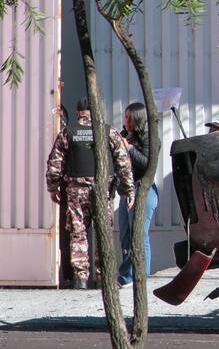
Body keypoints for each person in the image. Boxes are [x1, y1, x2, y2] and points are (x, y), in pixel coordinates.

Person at [45, 99, 134, 289]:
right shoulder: (108, 131)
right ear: (94, 112)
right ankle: (104, 278)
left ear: (78, 113)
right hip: (103, 191)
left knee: (78, 234)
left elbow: (55, 164)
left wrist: (53, 188)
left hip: (76, 191)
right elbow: (123, 162)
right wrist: (128, 189)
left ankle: (81, 279)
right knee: (103, 233)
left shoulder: (68, 132)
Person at [118, 101, 158, 286]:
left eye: (128, 117)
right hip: (126, 190)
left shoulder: (149, 138)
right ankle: (127, 276)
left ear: (137, 119)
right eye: (125, 117)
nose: (125, 120)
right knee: (126, 236)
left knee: (139, 235)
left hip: (143, 189)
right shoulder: (126, 135)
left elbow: (147, 163)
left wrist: (130, 149)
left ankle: (142, 277)